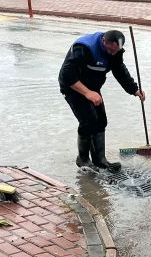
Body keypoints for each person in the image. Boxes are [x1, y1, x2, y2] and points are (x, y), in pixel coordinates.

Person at [59, 29, 145, 170]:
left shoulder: (115, 52)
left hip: (92, 88)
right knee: (88, 121)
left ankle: (100, 160)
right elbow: (66, 75)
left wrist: (135, 90)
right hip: (73, 87)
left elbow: (120, 71)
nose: (112, 53)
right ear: (104, 41)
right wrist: (87, 93)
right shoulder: (83, 48)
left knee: (101, 121)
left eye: (115, 51)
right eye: (110, 50)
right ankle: (83, 160)